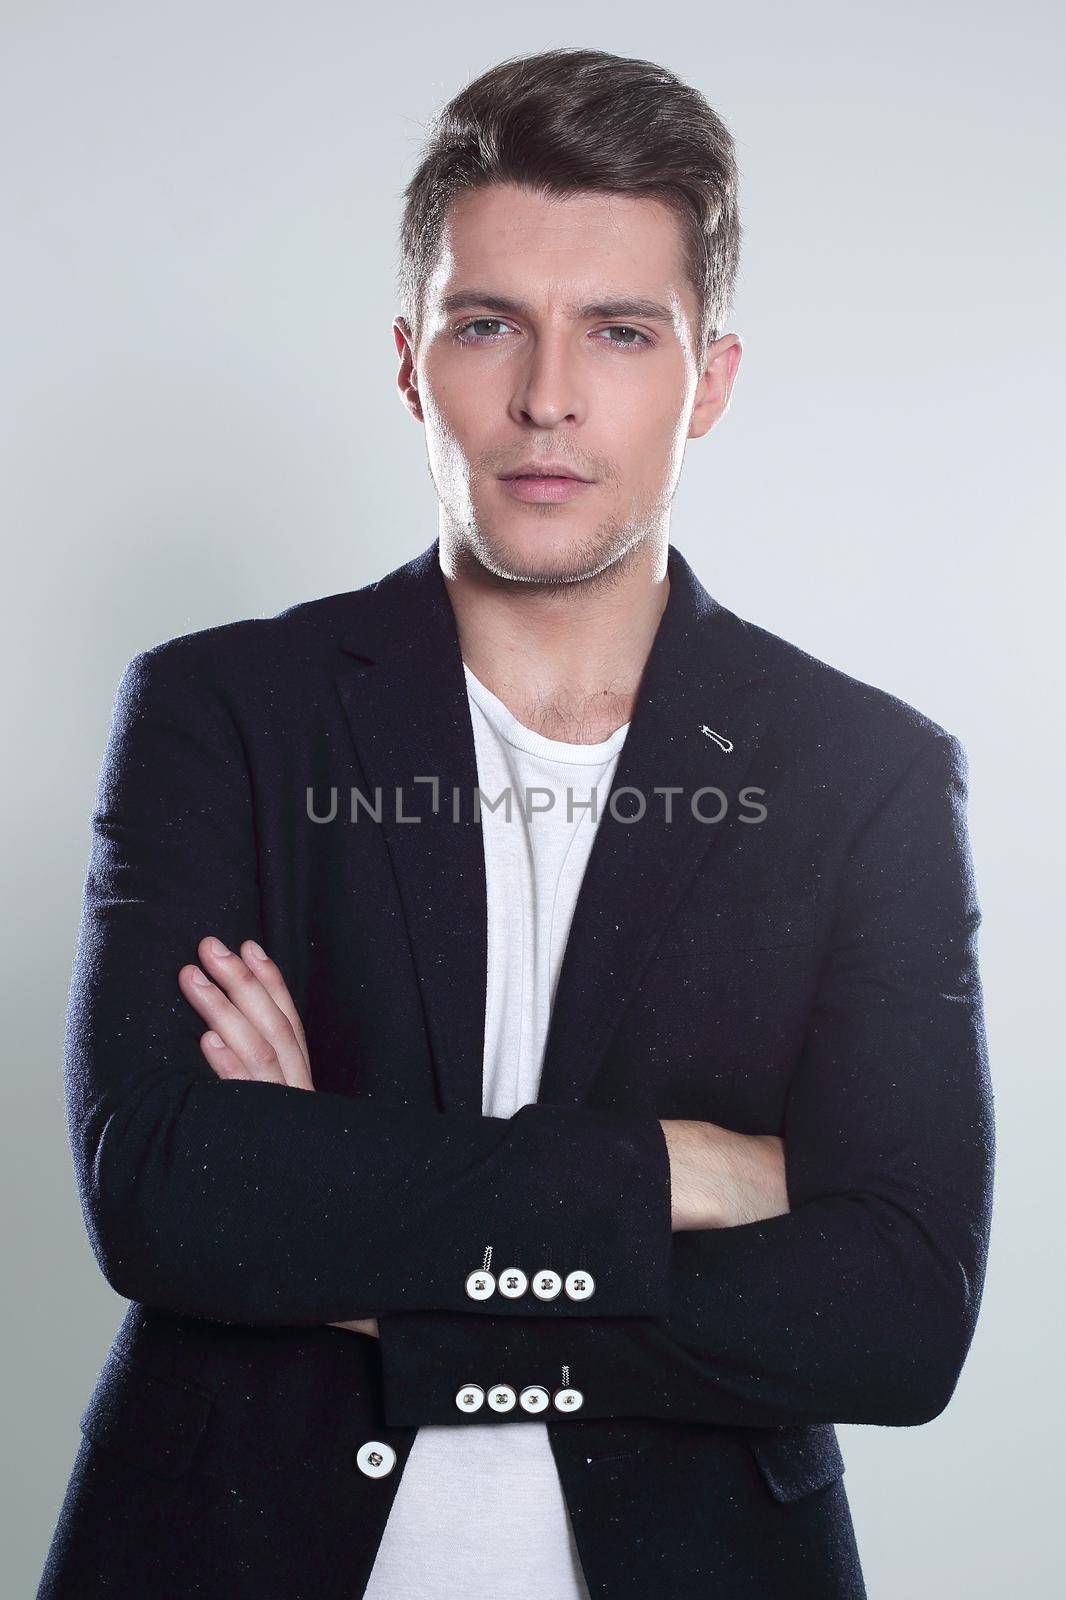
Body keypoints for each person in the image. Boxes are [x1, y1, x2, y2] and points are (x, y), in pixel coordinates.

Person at [37, 46, 994, 1600]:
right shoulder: (228, 711)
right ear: (412, 359)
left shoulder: (860, 771)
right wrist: (673, 1172)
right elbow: (169, 1199)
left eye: (620, 331)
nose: (547, 395)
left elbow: (892, 1315)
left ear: (712, 380)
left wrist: (345, 1230)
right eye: (490, 325)